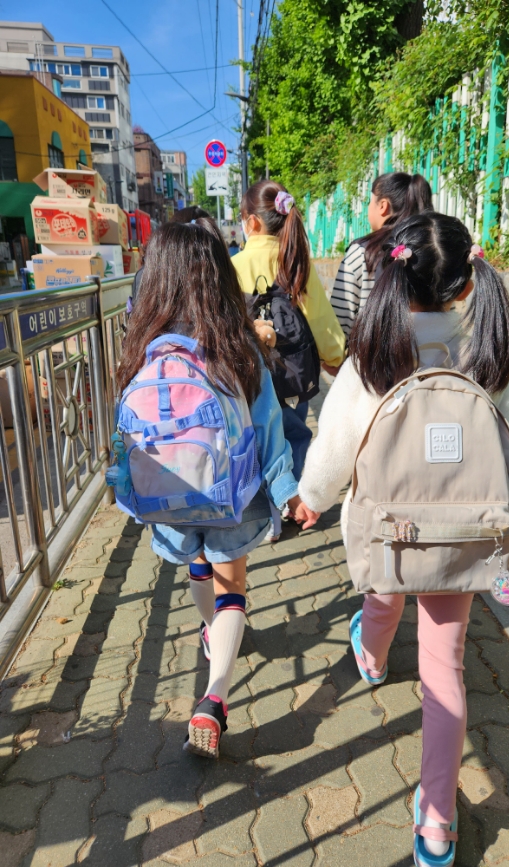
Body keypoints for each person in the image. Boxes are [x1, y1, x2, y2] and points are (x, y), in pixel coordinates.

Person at [297, 212, 509, 865]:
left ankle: (371, 658)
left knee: (382, 596)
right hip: (464, 536)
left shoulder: (377, 349)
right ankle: (436, 822)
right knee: (444, 669)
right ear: (469, 282)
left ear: (394, 275)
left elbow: (337, 438)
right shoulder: (486, 348)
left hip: (388, 529)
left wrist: (312, 496)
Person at [116, 219, 319, 758]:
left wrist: (125, 490)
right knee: (234, 590)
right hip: (234, 494)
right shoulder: (236, 346)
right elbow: (270, 430)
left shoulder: (141, 347)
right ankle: (214, 698)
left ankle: (211, 633)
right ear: (218, 279)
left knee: (199, 567)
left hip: (168, 492)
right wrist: (288, 493)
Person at [232, 179, 346, 483]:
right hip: (294, 373)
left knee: (254, 436)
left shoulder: (233, 266)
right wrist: (334, 356)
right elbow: (319, 317)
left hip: (249, 375)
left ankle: (265, 499)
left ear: (252, 222)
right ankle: (292, 495)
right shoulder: (296, 262)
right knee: (294, 434)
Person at [330, 172, 432, 338]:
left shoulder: (362, 252)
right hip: (433, 350)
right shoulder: (434, 248)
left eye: (370, 201)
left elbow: (338, 324)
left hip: (370, 352)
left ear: (383, 206)